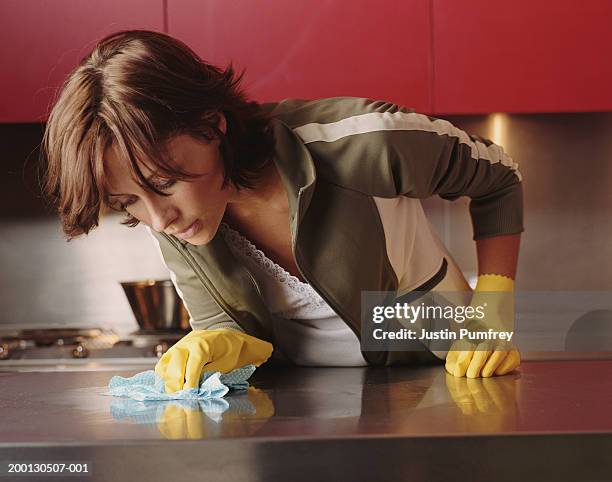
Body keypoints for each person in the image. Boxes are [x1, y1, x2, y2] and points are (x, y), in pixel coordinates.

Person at [40, 30, 522, 393]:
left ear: (214, 126)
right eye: (129, 203)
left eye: (164, 183)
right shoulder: (172, 219)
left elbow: (500, 178)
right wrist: (225, 345)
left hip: (447, 373)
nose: (158, 220)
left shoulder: (365, 142)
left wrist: (492, 308)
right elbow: (231, 329)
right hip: (302, 406)